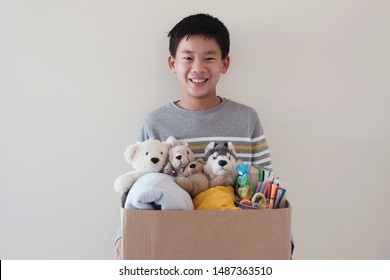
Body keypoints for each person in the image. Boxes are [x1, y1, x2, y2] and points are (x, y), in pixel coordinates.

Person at [115, 13, 272, 259]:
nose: (198, 67)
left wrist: (284, 240)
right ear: (172, 63)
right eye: (187, 57)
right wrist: (122, 237)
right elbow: (138, 194)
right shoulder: (155, 123)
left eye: (209, 58)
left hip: (234, 245)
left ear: (224, 64)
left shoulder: (246, 119)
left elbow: (266, 188)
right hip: (170, 247)